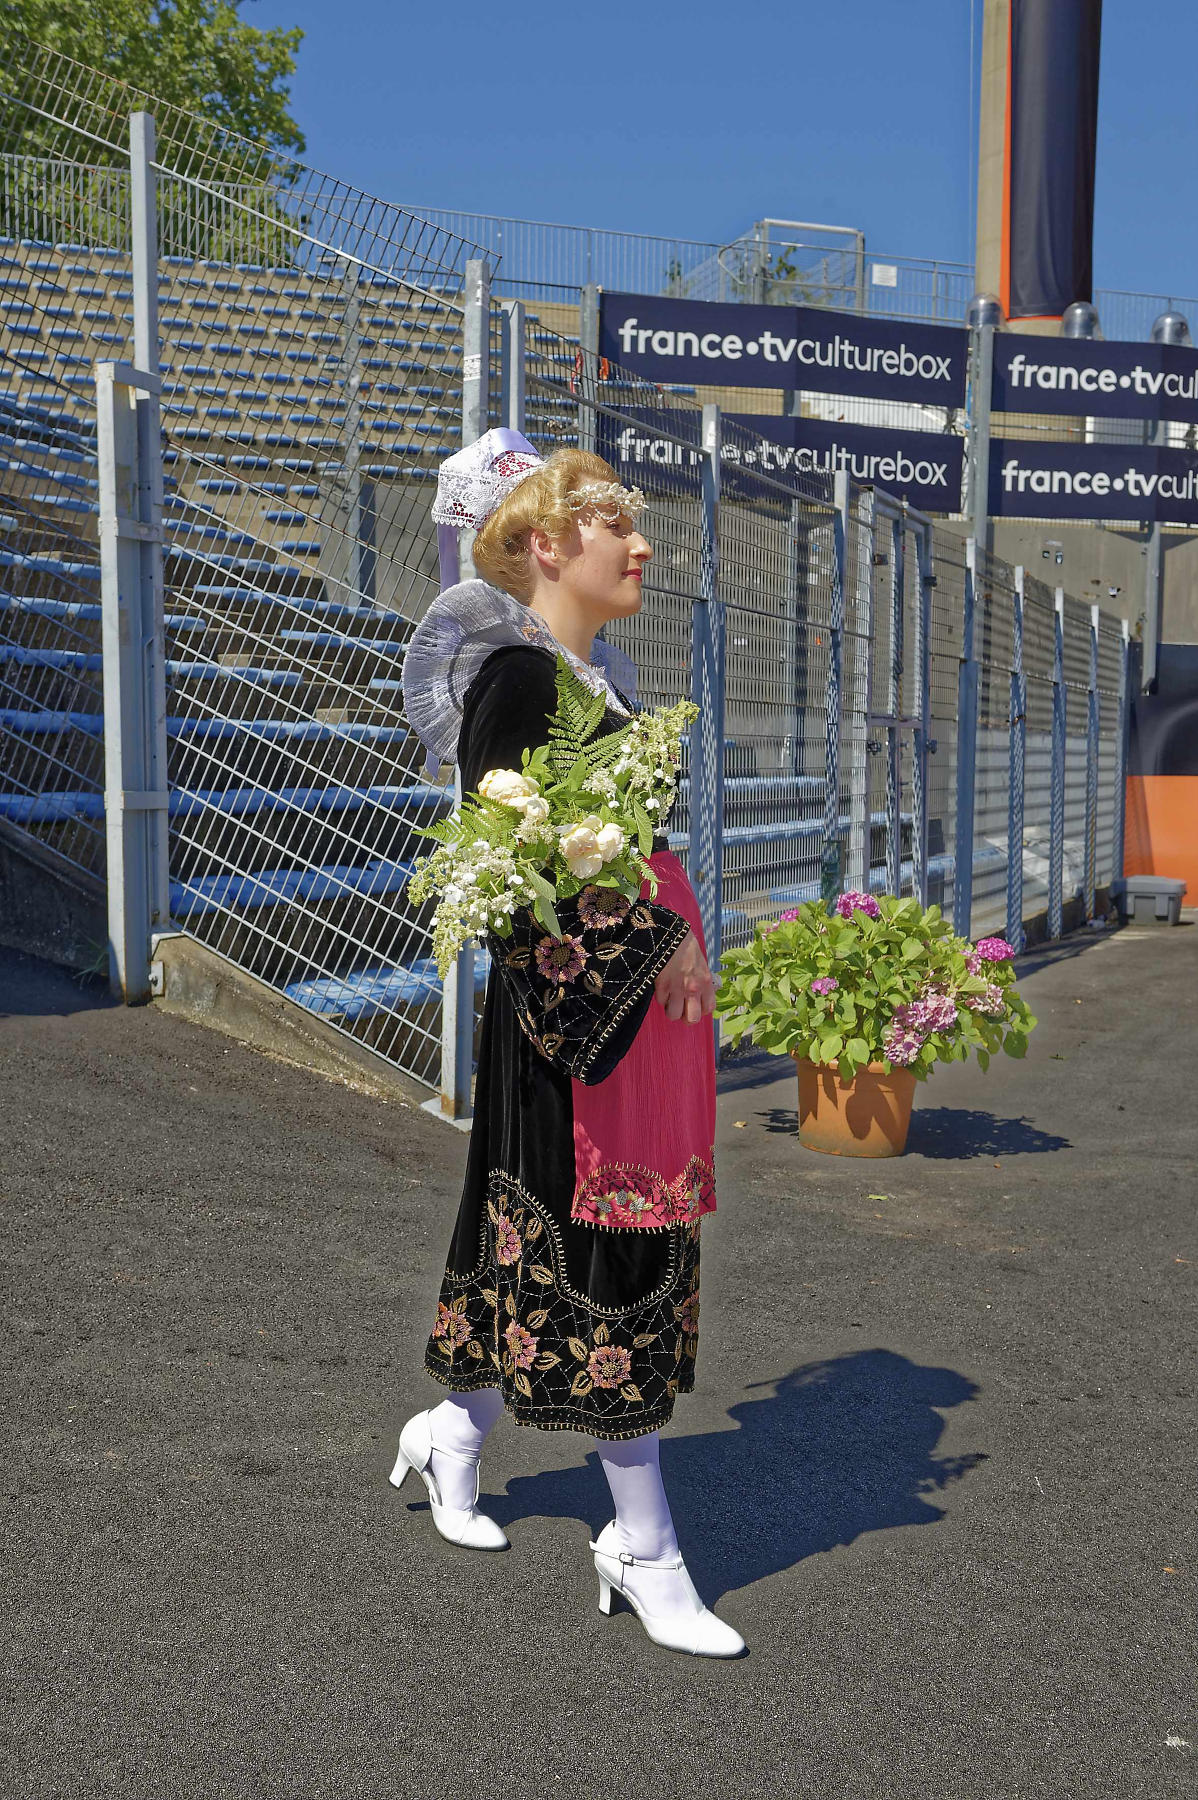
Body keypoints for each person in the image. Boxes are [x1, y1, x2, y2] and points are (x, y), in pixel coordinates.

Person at [396, 429, 745, 1658]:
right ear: (546, 544)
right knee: (600, 1245)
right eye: (617, 525)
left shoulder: (593, 684)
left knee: (568, 1235)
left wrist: (675, 942)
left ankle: (452, 1430)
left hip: (635, 1015)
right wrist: (657, 949)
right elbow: (513, 876)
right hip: (581, 1028)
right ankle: (642, 1547)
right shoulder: (521, 685)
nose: (643, 544)